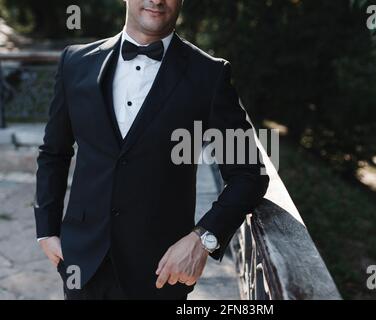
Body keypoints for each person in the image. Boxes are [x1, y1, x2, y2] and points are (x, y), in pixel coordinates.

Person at [34, 0, 269, 300]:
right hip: (82, 264)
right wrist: (46, 230)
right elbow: (54, 152)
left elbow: (249, 175)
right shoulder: (75, 62)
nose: (157, 0)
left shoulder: (209, 76)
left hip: (161, 273)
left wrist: (203, 239)